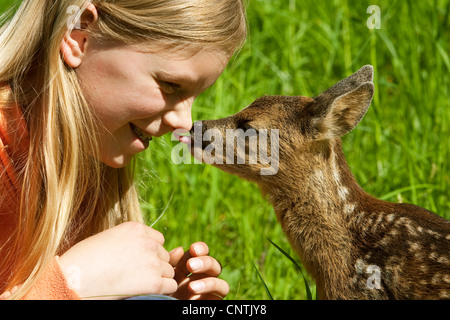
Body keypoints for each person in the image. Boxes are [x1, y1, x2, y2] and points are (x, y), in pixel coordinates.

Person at [0, 0, 246, 300]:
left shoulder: (89, 167)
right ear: (80, 35)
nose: (184, 123)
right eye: (170, 85)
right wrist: (73, 282)